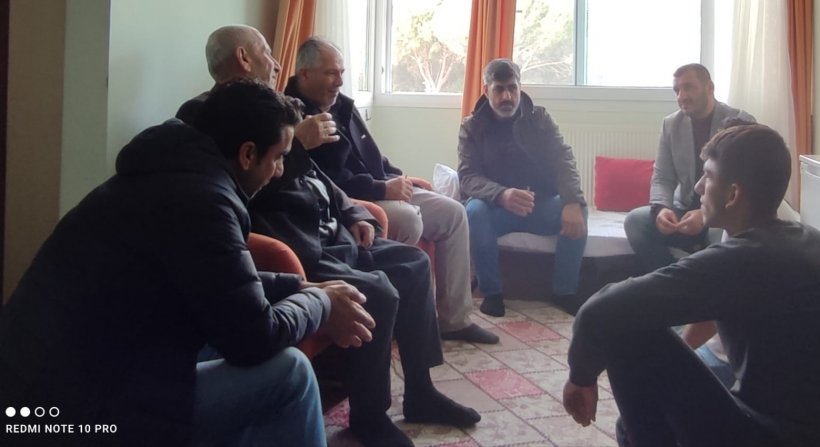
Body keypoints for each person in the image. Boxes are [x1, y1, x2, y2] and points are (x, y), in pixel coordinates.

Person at [0, 81, 376, 447]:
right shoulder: (204, 201)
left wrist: (299, 287)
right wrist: (323, 303)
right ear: (248, 154)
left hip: (53, 378)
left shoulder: (168, 173)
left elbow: (214, 281)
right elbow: (255, 338)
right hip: (74, 411)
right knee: (289, 373)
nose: (280, 171)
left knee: (232, 343)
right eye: (279, 157)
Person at [177, 26, 482, 447]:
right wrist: (298, 142)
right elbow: (242, 187)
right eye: (267, 52)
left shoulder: (272, 105)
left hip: (331, 229)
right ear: (244, 58)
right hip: (296, 240)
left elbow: (318, 175)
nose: (277, 63)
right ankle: (369, 416)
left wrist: (353, 209)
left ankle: (421, 392)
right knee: (379, 290)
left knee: (413, 263)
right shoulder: (203, 116)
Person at [563, 123, 820, 447]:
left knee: (626, 328)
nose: (698, 187)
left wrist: (581, 377)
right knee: (634, 418)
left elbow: (600, 310)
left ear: (733, 194)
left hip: (772, 434)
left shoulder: (743, 261)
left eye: (708, 176)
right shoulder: (805, 238)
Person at [284, 36, 498, 344]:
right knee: (409, 219)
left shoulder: (343, 104)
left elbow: (374, 156)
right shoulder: (293, 117)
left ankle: (454, 321)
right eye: (331, 73)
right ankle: (397, 320)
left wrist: (401, 178)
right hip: (358, 197)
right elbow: (327, 179)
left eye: (342, 72)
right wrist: (383, 187)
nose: (339, 81)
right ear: (304, 74)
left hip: (382, 186)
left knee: (453, 213)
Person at [457, 58, 588, 317]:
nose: (507, 96)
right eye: (499, 89)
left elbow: (563, 159)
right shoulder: (471, 126)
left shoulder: (540, 119)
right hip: (495, 210)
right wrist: (501, 194)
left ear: (520, 87)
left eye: (512, 88)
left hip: (539, 206)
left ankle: (564, 292)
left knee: (578, 208)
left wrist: (572, 200)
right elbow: (468, 176)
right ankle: (492, 293)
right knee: (473, 211)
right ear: (486, 90)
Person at [624, 63, 754, 273]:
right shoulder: (670, 124)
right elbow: (662, 177)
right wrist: (662, 209)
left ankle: (704, 281)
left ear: (709, 88)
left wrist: (705, 213)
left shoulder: (739, 123)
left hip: (720, 212)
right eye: (677, 90)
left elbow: (745, 182)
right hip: (682, 210)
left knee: (723, 238)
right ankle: (674, 276)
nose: (681, 96)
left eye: (688, 87)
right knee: (635, 222)